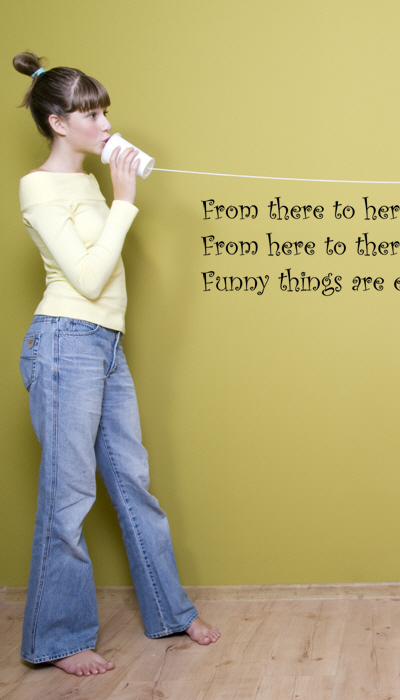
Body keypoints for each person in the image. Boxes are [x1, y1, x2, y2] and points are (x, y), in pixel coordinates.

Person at [13, 52, 220, 677]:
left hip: (104, 344)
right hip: (63, 345)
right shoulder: (37, 187)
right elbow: (87, 276)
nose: (105, 125)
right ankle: (58, 639)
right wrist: (125, 200)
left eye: (105, 112)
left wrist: (115, 191)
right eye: (91, 115)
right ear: (58, 123)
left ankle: (169, 611)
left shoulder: (87, 183)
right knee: (69, 497)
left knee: (133, 483)